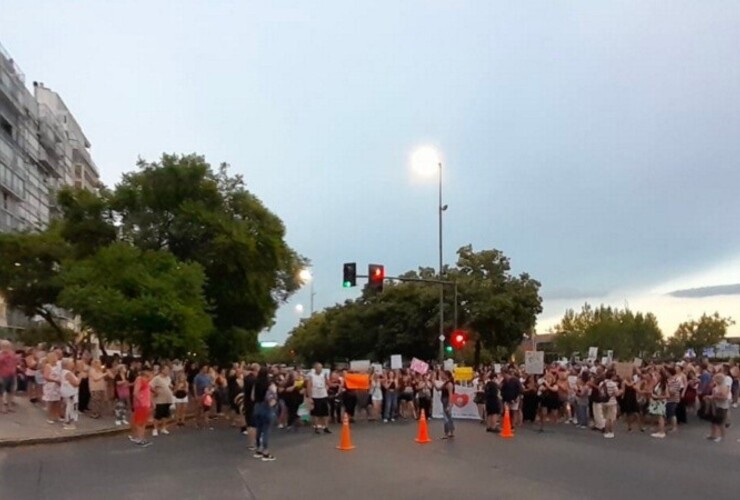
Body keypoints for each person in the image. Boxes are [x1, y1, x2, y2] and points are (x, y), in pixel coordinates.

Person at [252, 367, 277, 461]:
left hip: (257, 407)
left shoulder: (256, 383)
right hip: (266, 407)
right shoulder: (269, 384)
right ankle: (265, 451)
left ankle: (258, 449)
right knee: (266, 430)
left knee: (259, 429)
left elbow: (252, 397)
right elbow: (273, 398)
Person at [130, 366, 153, 447]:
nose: (151, 374)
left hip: (145, 404)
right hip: (141, 405)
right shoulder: (140, 379)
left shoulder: (145, 381)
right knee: (140, 423)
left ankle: (141, 438)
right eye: (149, 372)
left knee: (143, 422)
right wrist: (140, 402)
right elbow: (135, 393)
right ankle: (140, 439)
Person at [306, 363, 331, 434]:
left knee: (325, 412)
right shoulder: (311, 376)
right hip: (315, 396)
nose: (320, 369)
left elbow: (328, 383)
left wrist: (326, 388)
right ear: (315, 368)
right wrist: (310, 397)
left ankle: (326, 427)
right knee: (316, 412)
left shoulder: (323, 375)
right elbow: (309, 386)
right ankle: (316, 427)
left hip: (323, 395)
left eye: (321, 368)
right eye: (318, 368)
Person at [150, 365, 174, 436]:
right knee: (158, 414)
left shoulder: (168, 378)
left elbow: (170, 385)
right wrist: (155, 391)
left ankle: (163, 428)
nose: (168, 371)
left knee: (165, 414)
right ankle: (155, 429)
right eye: (166, 370)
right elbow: (150, 385)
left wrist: (171, 387)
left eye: (168, 370)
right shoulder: (157, 378)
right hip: (160, 399)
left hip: (167, 398)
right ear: (162, 370)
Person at [707, 373, 730, 442]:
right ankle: (713, 435)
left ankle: (722, 436)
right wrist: (710, 397)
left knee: (720, 423)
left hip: (722, 407)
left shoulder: (724, 387)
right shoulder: (716, 387)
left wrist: (715, 397)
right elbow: (713, 396)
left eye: (716, 379)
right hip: (716, 406)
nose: (715, 380)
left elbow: (725, 397)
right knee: (713, 422)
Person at [60, 358, 80, 430]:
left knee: (69, 406)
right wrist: (80, 378)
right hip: (70, 393)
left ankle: (68, 421)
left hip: (68, 392)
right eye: (71, 362)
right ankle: (68, 422)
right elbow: (75, 383)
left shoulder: (64, 372)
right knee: (70, 407)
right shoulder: (68, 373)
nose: (73, 364)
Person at [0, 340, 18, 413]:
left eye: (8, 346)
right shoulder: (0, 355)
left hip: (12, 375)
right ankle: (2, 407)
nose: (7, 347)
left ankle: (9, 406)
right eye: (5, 346)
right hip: (3, 375)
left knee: (10, 391)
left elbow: (14, 363)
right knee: (1, 392)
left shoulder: (12, 354)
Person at [440, 370, 455, 439]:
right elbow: (438, 388)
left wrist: (449, 405)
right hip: (444, 400)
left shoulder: (449, 384)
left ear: (446, 375)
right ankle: (451, 431)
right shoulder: (445, 383)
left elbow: (450, 395)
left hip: (447, 401)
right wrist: (433, 382)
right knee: (449, 416)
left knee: (446, 417)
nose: (441, 375)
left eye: (443, 374)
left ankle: (447, 433)